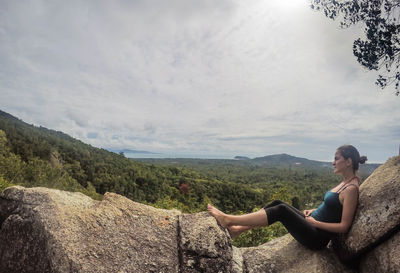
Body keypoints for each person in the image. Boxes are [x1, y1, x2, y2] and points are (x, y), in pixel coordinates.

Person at [207, 145, 367, 250]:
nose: (333, 163)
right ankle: (237, 230)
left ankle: (229, 220)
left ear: (348, 162)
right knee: (278, 202)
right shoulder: (345, 183)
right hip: (311, 222)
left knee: (281, 210)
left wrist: (316, 222)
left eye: (336, 159)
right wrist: (314, 210)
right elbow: (332, 208)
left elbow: (344, 226)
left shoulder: (352, 189)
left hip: (316, 237)